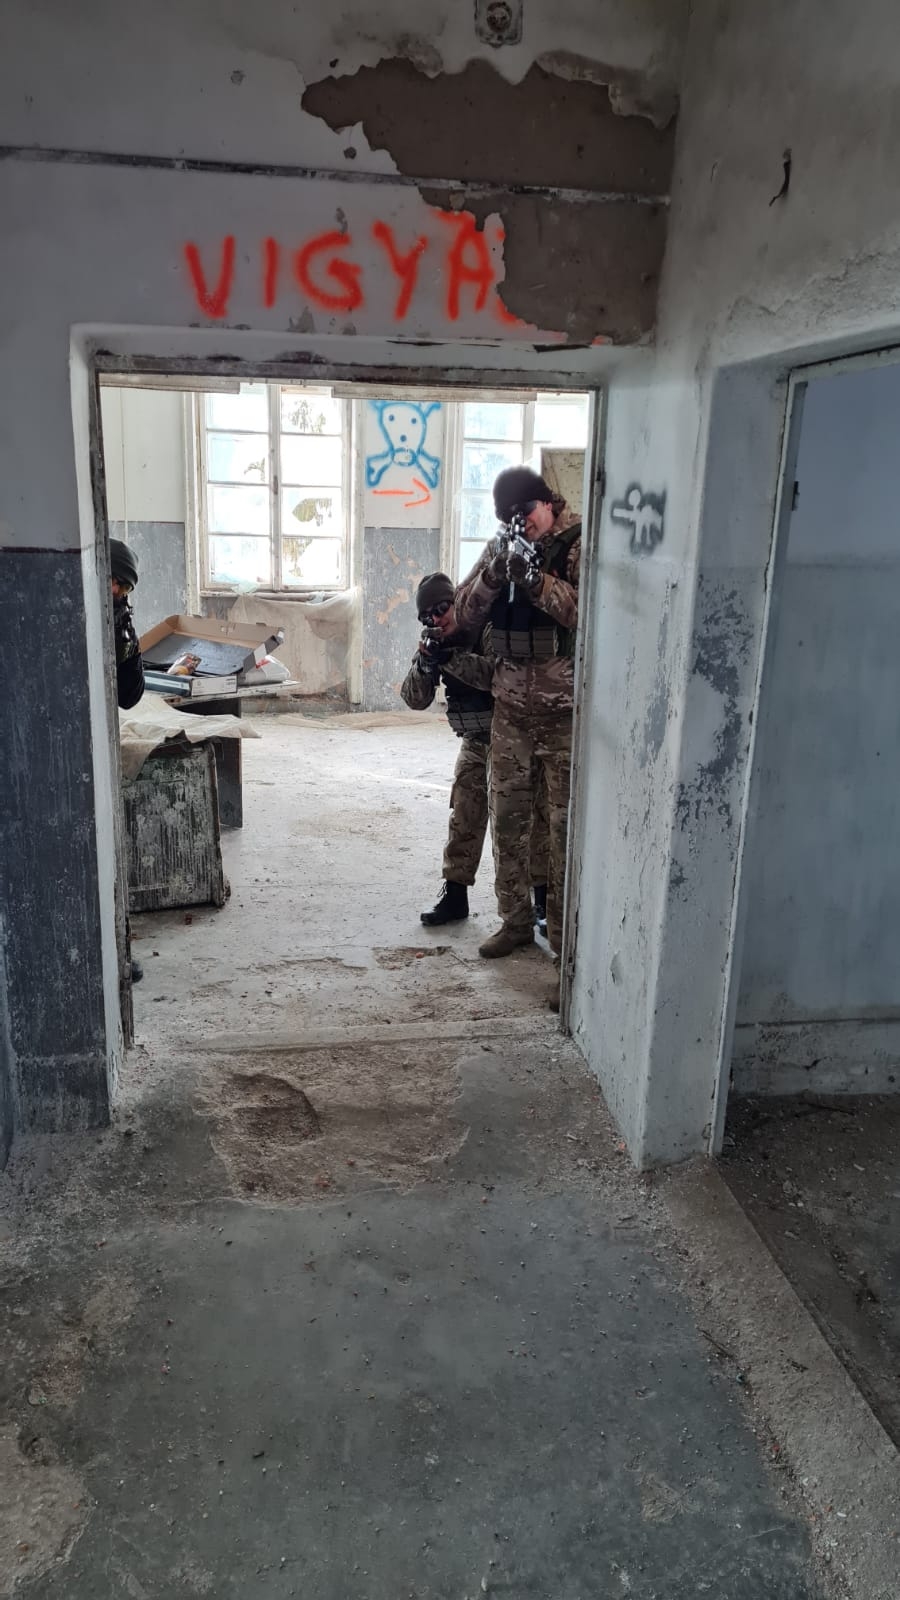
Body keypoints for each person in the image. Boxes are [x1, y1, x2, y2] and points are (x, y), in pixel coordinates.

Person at [455, 467, 580, 1005]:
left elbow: (584, 612)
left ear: (547, 503)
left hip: (565, 716)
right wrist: (495, 573)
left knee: (563, 834)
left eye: (527, 514)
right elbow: (462, 613)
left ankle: (567, 954)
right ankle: (515, 922)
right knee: (507, 822)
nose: (522, 525)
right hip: (509, 713)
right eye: (511, 519)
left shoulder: (578, 542)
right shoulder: (503, 544)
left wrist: (534, 580)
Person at [400, 572, 550, 928]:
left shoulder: (487, 626)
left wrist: (449, 658)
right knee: (464, 814)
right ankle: (455, 896)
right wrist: (426, 663)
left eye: (441, 608)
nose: (436, 619)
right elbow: (413, 698)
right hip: (476, 740)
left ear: (457, 601)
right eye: (427, 616)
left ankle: (542, 900)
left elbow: (496, 677)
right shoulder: (438, 641)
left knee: (525, 821)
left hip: (512, 736)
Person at [110, 538, 145, 710]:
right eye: (111, 579)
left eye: (124, 587)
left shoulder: (120, 618)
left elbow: (128, 698)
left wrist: (130, 649)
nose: (115, 590)